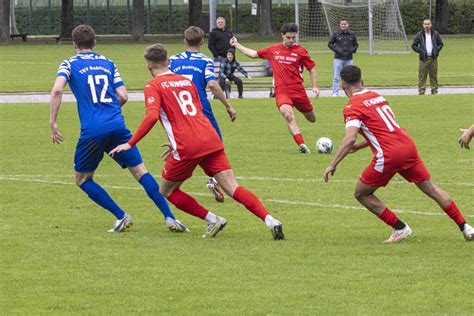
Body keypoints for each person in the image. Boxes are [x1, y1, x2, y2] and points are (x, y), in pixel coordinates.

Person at [109, 43, 284, 240]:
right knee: (232, 187)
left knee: (167, 190)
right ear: (168, 61)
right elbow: (195, 112)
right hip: (209, 137)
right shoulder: (186, 81)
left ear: (148, 66)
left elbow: (151, 117)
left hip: (187, 145)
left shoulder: (153, 85)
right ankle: (270, 220)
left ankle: (212, 219)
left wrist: (129, 143)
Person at [49, 25, 188, 233]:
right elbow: (123, 96)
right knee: (141, 171)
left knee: (83, 179)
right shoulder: (108, 63)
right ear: (95, 42)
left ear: (74, 44)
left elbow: (58, 89)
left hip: (93, 130)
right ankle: (170, 217)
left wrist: (53, 121)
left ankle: (121, 216)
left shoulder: (69, 63)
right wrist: (111, 111)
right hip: (117, 124)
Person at [323, 65, 473, 243]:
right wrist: (361, 145)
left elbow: (349, 138)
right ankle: (466, 227)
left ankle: (399, 227)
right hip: (407, 146)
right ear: (362, 82)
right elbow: (385, 129)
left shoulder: (352, 106)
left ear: (342, 87)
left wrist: (333, 164)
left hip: (389, 154)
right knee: (432, 189)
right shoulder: (377, 96)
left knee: (361, 193)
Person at [169, 26, 236, 203]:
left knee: (185, 146)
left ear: (184, 41)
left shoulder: (173, 60)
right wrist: (228, 105)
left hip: (179, 109)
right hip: (200, 108)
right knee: (216, 144)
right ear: (202, 41)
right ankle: (215, 180)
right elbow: (213, 85)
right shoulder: (205, 60)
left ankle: (173, 182)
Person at [231, 22, 320, 154]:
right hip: (282, 91)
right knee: (288, 114)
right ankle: (302, 144)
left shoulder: (301, 51)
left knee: (312, 119)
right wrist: (236, 45)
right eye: (288, 37)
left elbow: (311, 68)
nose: (291, 40)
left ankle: (304, 113)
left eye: (293, 38)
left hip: (298, 91)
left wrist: (314, 86)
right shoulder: (273, 50)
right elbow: (253, 54)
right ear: (282, 36)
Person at [411, 18, 444, 95]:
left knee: (433, 75)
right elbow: (413, 45)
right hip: (423, 59)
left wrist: (436, 50)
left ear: (431, 25)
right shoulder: (419, 35)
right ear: (423, 25)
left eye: (428, 24)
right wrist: (421, 51)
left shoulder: (435, 34)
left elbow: (441, 44)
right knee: (422, 76)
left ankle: (434, 91)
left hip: (433, 58)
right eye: (425, 24)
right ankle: (421, 91)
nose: (427, 26)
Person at [328, 19, 358, 97]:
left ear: (348, 25)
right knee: (336, 76)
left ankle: (349, 92)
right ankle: (335, 92)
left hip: (349, 59)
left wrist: (352, 50)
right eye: (342, 24)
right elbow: (330, 44)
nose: (343, 25)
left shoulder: (352, 34)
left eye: (345, 24)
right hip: (338, 59)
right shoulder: (336, 34)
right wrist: (336, 50)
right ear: (340, 25)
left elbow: (356, 44)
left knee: (349, 77)